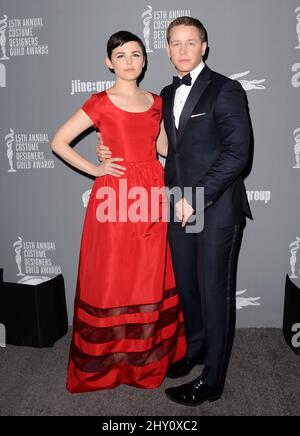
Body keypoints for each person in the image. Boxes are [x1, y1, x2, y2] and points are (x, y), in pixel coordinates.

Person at [97, 17, 252, 405]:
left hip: (213, 208)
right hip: (176, 207)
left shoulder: (226, 89)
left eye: (190, 43)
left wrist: (197, 196)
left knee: (214, 293)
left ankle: (212, 381)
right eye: (175, 44)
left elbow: (238, 155)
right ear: (166, 49)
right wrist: (107, 150)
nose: (182, 51)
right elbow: (164, 146)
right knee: (188, 289)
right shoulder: (164, 94)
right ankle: (195, 349)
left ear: (204, 47)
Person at [50, 30, 186, 393]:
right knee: (113, 276)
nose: (130, 61)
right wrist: (96, 168)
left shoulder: (157, 101)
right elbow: (58, 141)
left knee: (148, 274)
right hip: (114, 195)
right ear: (109, 62)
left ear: (145, 61)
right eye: (121, 55)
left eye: (136, 54)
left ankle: (144, 361)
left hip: (151, 194)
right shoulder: (99, 102)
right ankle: (109, 365)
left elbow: (163, 149)